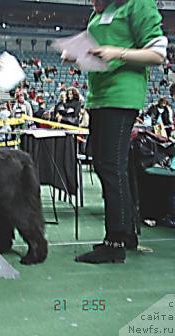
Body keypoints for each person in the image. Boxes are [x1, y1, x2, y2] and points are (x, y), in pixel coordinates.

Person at [63, 0, 167, 264]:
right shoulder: (101, 11)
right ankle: (127, 234)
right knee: (105, 165)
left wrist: (117, 52)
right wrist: (79, 56)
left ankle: (114, 242)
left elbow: (157, 54)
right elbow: (98, 52)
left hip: (121, 96)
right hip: (99, 97)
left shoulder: (138, 4)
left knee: (111, 167)